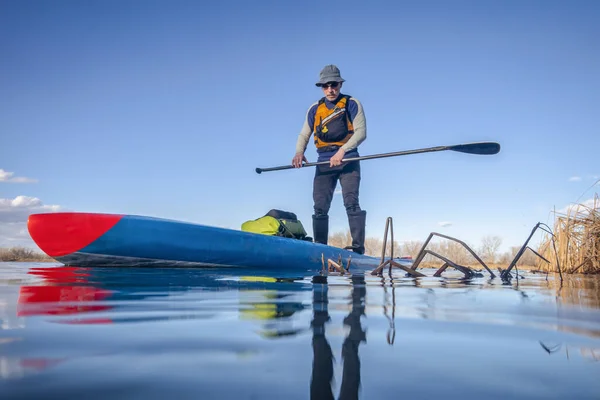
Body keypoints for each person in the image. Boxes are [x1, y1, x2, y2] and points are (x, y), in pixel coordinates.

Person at [292, 65, 367, 254]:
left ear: (340, 84)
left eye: (333, 85)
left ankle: (358, 250)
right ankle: (320, 249)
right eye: (325, 86)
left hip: (348, 159)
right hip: (323, 162)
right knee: (319, 206)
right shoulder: (315, 108)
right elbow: (304, 135)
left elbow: (361, 133)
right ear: (321, 87)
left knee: (351, 202)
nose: (330, 89)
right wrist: (299, 153)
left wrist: (342, 152)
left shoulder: (352, 103)